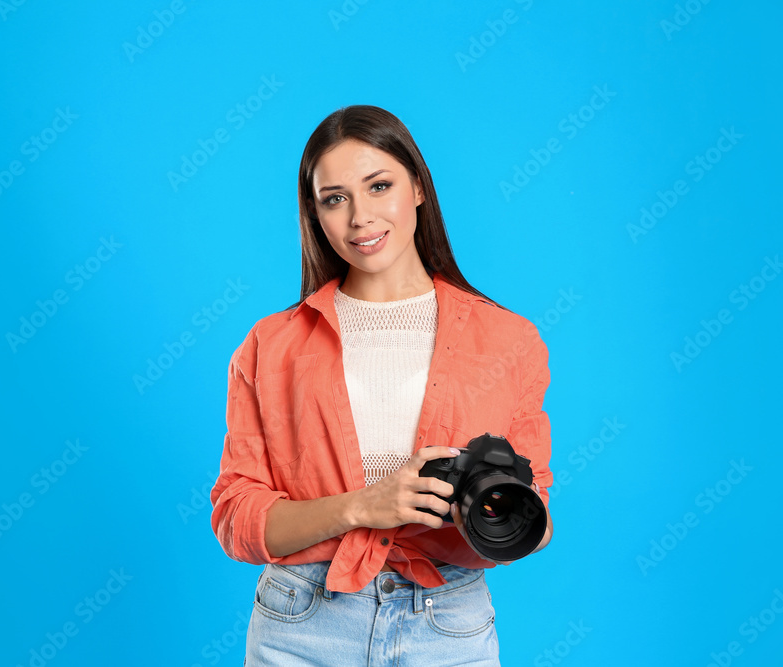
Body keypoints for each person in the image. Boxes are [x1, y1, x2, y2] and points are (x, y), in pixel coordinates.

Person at [210, 105, 554, 666]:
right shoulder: (270, 346)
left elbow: (535, 515)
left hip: (448, 624)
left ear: (417, 186)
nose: (360, 217)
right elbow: (237, 518)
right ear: (315, 214)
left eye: (379, 186)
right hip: (303, 623)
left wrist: (505, 515)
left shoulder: (508, 340)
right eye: (335, 198)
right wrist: (362, 506)